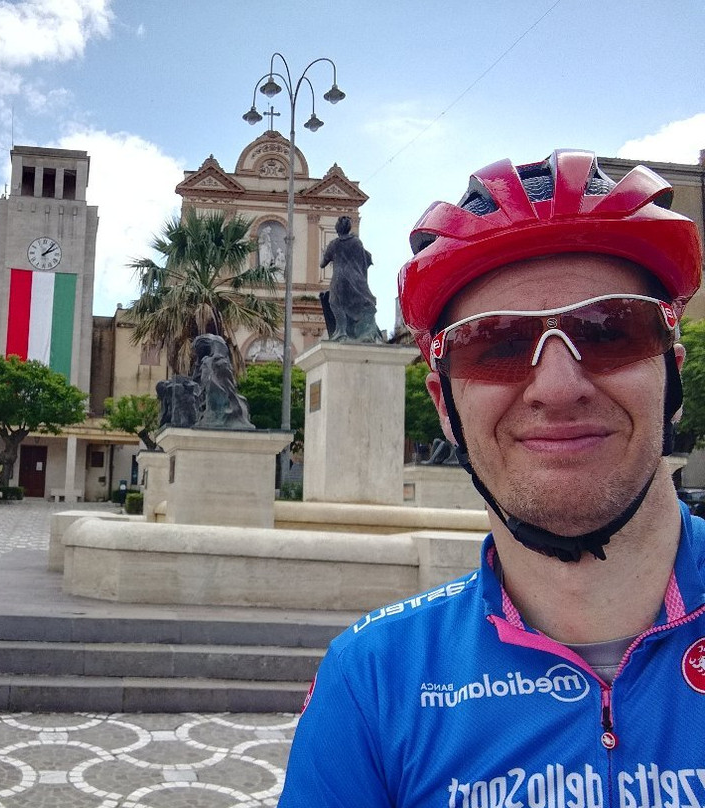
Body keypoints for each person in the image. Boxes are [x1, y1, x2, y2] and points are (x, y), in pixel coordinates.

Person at [278, 150, 705, 805]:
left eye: (610, 331)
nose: (558, 387)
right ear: (444, 406)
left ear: (671, 374)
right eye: (496, 345)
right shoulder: (372, 680)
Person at [318, 215, 382, 342]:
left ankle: (341, 331)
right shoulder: (357, 242)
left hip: (339, 279)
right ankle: (364, 332)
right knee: (361, 304)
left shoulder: (334, 244)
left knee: (335, 303)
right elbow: (363, 261)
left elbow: (322, 264)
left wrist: (327, 253)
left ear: (337, 229)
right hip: (356, 279)